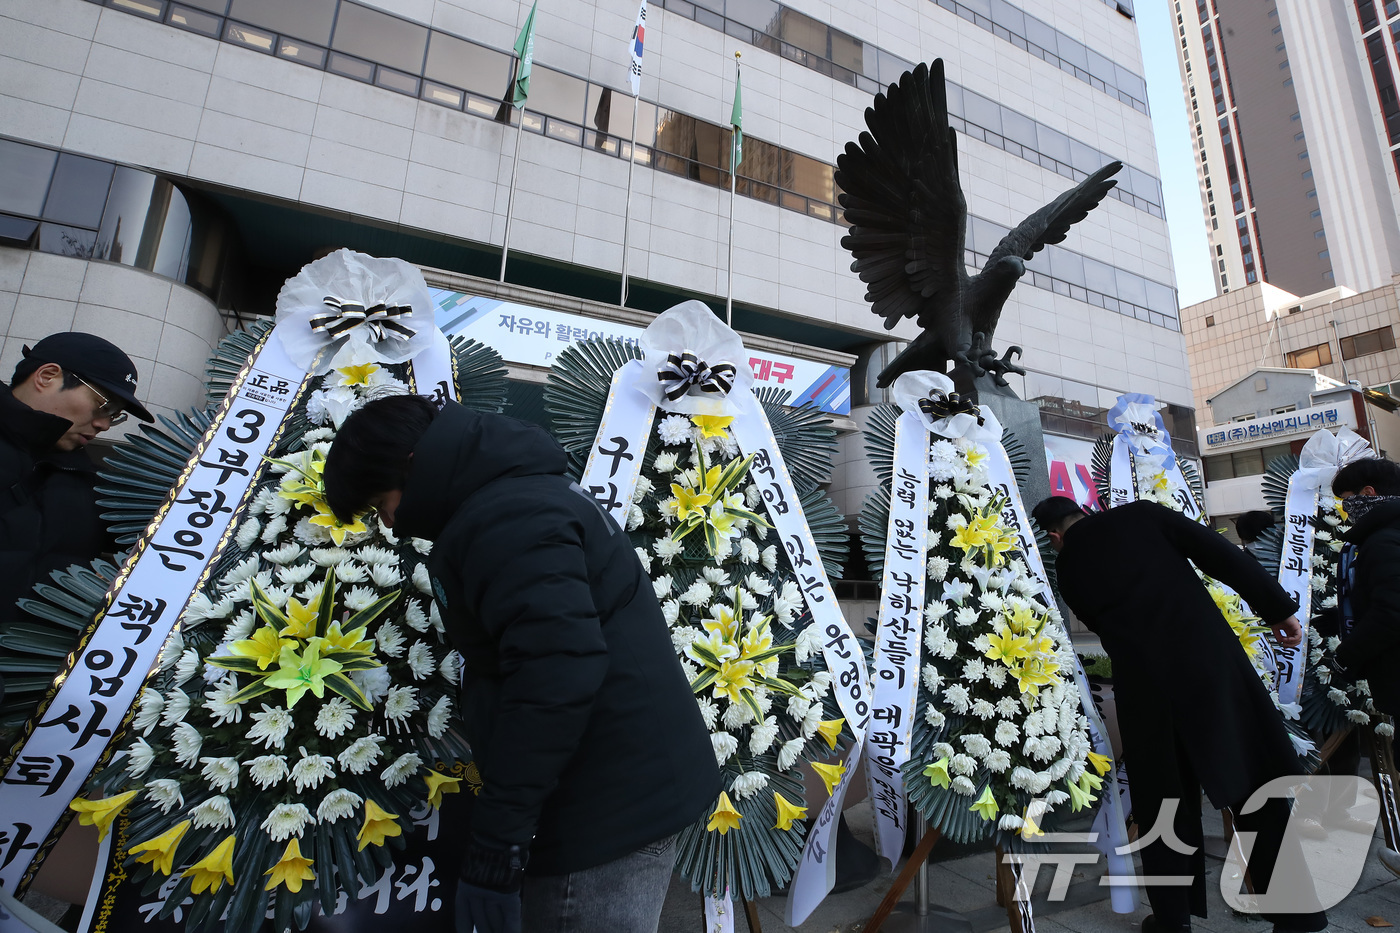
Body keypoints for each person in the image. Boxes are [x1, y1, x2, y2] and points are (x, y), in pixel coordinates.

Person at [323, 394, 720, 933]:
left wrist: (498, 842)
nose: (390, 524)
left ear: (410, 466)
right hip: (625, 783)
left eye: (380, 503)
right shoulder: (519, 495)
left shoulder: (507, 520)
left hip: (603, 811)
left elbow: (554, 675)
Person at [1032, 495, 1325, 933]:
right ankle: (1298, 915)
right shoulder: (1143, 515)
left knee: (1163, 803)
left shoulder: (1069, 569)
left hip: (1146, 688)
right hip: (1212, 671)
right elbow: (1220, 555)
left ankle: (1173, 919)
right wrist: (1278, 609)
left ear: (1054, 536)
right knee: (1254, 787)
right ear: (1085, 512)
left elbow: (1097, 622)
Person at [1, 333, 153, 668]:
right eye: (103, 405)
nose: (102, 424)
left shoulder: (95, 489)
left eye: (114, 415)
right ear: (47, 376)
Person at [1332, 456, 1400, 879]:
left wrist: (1344, 656)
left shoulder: (1383, 540)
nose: (1344, 509)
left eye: (1346, 501)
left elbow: (1391, 612)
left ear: (1368, 496)